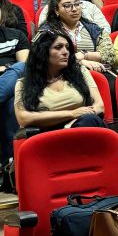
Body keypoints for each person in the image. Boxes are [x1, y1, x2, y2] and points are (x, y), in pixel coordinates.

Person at [14, 28, 105, 131]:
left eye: (67, 47)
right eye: (58, 47)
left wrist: (74, 123)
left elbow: (99, 106)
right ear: (42, 52)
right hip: (48, 135)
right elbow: (23, 118)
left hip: (82, 125)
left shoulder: (80, 72)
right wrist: (71, 114)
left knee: (90, 120)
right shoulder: (23, 83)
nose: (65, 52)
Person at [44, 0, 116, 74]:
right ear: (56, 10)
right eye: (67, 6)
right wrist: (79, 62)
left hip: (97, 72)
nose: (74, 9)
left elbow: (110, 55)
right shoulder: (48, 31)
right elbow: (45, 59)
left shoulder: (94, 29)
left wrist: (84, 55)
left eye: (77, 4)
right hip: (61, 75)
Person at [0, 15, 29, 174]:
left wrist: (7, 70)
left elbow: (25, 68)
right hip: (9, 84)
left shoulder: (16, 35)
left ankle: (8, 166)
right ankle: (10, 165)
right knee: (11, 100)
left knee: (22, 68)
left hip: (12, 82)